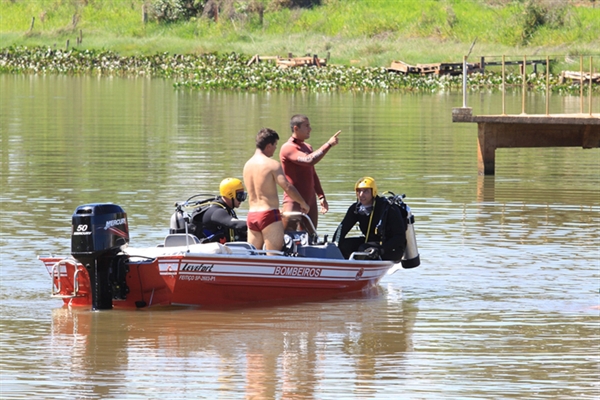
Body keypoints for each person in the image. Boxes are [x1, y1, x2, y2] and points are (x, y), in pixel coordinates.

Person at [243, 128, 310, 253]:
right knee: (274, 256)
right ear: (269, 145)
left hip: (252, 216)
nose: (275, 149)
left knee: (253, 256)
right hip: (268, 215)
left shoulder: (247, 165)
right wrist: (303, 203)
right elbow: (287, 186)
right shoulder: (272, 164)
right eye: (275, 145)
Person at [279, 114, 340, 228]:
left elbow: (312, 174)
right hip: (293, 201)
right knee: (288, 237)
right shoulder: (287, 148)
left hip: (310, 200)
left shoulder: (308, 147)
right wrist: (329, 144)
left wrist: (321, 196)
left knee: (311, 238)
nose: (310, 129)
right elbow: (309, 160)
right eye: (306, 126)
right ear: (296, 128)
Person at [335, 177, 406, 261]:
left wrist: (381, 250)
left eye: (365, 191)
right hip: (369, 242)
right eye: (359, 191)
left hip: (391, 248)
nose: (361, 195)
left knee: (364, 249)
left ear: (373, 192)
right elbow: (342, 228)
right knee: (344, 245)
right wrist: (334, 245)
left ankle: (359, 269)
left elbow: (400, 237)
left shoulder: (389, 208)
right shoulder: (356, 209)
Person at [196, 177, 248, 243]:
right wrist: (258, 224)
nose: (242, 200)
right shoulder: (217, 211)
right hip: (207, 250)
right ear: (230, 195)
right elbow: (235, 224)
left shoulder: (228, 209)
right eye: (240, 196)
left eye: (244, 196)